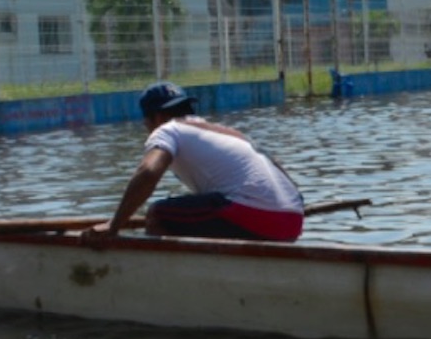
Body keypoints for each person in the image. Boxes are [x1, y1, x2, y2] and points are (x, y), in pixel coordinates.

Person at [84, 81, 305, 244]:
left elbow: (149, 173)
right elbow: (280, 171)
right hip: (293, 219)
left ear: (156, 118)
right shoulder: (230, 133)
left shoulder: (167, 129)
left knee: (158, 214)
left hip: (257, 216)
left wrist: (114, 226)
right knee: (191, 209)